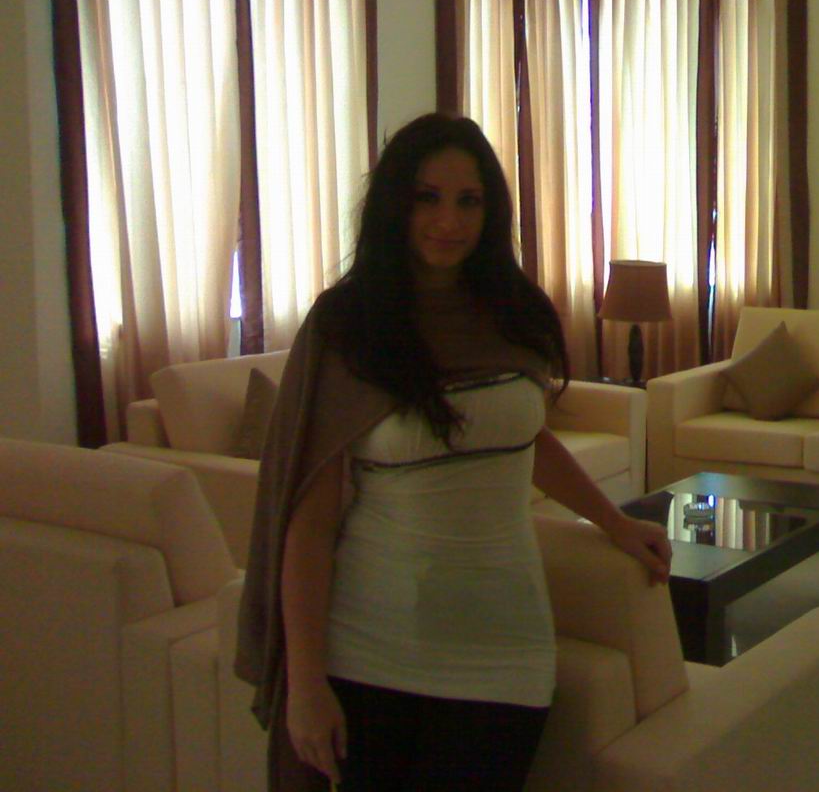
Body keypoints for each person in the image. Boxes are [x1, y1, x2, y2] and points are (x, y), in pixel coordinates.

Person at [235, 113, 672, 792]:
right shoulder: (348, 326)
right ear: (394, 205)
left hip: (506, 652)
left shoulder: (515, 312)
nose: (449, 220)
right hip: (369, 649)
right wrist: (307, 683)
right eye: (427, 198)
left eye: (469, 200)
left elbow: (521, 437)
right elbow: (309, 524)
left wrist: (614, 522)